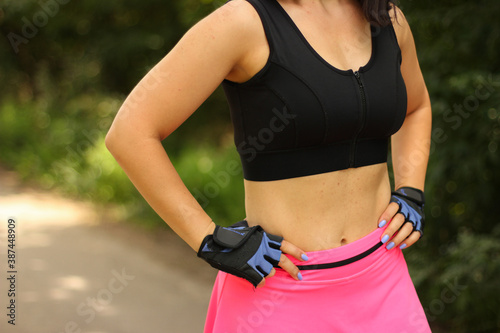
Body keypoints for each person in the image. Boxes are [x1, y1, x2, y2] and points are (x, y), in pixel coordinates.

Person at [106, 0, 432, 331]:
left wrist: (411, 189)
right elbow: (130, 134)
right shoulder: (242, 23)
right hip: (279, 290)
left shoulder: (387, 19)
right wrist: (210, 238)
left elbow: (416, 106)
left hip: (383, 281)